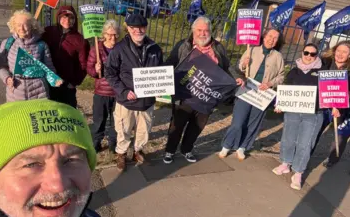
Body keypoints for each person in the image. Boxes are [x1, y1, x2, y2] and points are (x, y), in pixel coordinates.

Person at [162, 16, 245, 165]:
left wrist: (236, 77)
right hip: (185, 94)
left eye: (206, 30)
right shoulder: (184, 45)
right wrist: (161, 77)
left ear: (210, 32)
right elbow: (171, 62)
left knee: (197, 126)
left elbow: (227, 66)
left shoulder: (218, 47)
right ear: (193, 31)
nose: (203, 33)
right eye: (199, 30)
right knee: (177, 124)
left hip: (207, 96)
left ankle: (187, 149)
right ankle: (170, 150)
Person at [105, 14, 164, 172]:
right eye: (134, 28)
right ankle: (121, 154)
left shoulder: (155, 48)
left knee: (144, 130)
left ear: (146, 27)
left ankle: (138, 151)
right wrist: (123, 91)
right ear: (128, 29)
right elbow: (110, 73)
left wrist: (162, 88)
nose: (138, 30)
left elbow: (160, 72)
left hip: (147, 100)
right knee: (123, 130)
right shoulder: (119, 49)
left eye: (142, 27)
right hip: (127, 100)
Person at [219, 27, 285, 160]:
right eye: (269, 36)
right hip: (247, 90)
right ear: (264, 36)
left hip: (263, 95)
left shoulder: (278, 57)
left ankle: (242, 147)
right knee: (238, 121)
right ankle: (227, 145)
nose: (271, 40)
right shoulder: (252, 50)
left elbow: (281, 76)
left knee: (253, 123)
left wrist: (270, 83)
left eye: (275, 38)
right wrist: (244, 64)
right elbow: (239, 67)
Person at [272, 44, 324, 190]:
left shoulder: (322, 73)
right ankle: (285, 163)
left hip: (313, 113)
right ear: (302, 53)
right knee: (288, 138)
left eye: (312, 54)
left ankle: (298, 172)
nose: (308, 56)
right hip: (292, 111)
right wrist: (279, 103)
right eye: (306, 53)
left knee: (305, 144)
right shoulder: (293, 71)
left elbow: (328, 92)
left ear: (316, 56)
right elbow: (286, 90)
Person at [0, 9, 60, 102]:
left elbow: (49, 68)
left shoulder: (41, 45)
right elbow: (1, 66)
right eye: (18, 25)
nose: (21, 28)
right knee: (18, 116)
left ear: (32, 26)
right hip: (15, 92)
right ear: (13, 26)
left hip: (39, 93)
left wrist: (54, 79)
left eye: (25, 25)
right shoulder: (7, 43)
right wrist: (7, 78)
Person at [310, 40, 350, 155]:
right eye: (338, 50)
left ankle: (305, 159)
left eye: (344, 52)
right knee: (309, 132)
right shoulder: (324, 63)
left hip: (334, 110)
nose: (340, 54)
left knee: (316, 133)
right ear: (334, 51)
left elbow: (348, 95)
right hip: (317, 104)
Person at [42, 6, 90, 108]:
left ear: (75, 20)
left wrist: (74, 82)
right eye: (64, 17)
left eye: (70, 18)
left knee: (67, 112)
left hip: (67, 85)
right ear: (58, 18)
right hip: (49, 80)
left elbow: (83, 65)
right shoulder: (48, 32)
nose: (67, 21)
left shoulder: (80, 40)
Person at [87, 19, 119, 154]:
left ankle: (113, 144)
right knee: (99, 120)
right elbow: (89, 69)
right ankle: (96, 143)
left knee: (116, 121)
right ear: (104, 34)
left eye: (115, 34)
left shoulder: (121, 48)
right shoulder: (96, 49)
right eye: (109, 34)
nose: (113, 38)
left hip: (118, 92)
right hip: (101, 92)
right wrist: (95, 69)